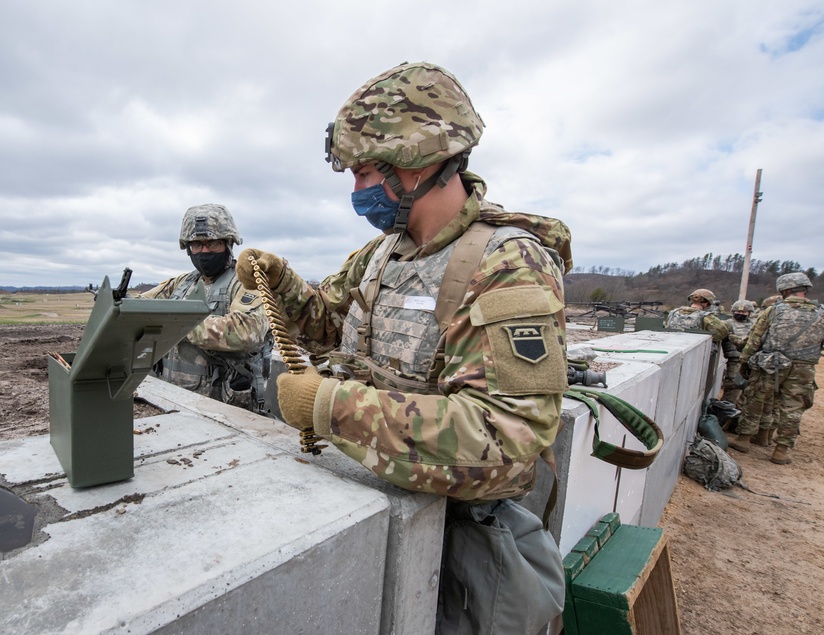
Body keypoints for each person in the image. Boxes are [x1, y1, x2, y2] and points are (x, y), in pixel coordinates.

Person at [236, 62, 570, 635]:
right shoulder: (381, 254)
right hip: (370, 505)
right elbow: (327, 322)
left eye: (366, 172)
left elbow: (507, 439)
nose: (357, 190)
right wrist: (281, 281)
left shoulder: (509, 264)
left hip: (460, 550)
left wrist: (330, 407)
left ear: (418, 161)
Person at [140, 204, 272, 413]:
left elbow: (247, 332)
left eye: (213, 244)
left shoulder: (246, 282)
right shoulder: (183, 283)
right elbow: (139, 307)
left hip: (226, 409)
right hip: (176, 401)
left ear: (228, 243)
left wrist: (177, 325)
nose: (204, 251)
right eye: (197, 245)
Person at [730, 273, 824, 463]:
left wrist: (744, 363)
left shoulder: (773, 311)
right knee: (793, 408)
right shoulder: (820, 313)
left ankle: (744, 440)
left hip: (770, 364)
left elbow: (755, 339)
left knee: (755, 400)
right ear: (804, 289)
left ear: (785, 290)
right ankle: (781, 450)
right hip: (802, 368)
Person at [720, 300, 757, 405]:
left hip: (751, 361)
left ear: (749, 313)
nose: (740, 314)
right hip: (735, 360)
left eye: (744, 312)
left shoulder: (754, 325)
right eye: (737, 311)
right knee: (733, 387)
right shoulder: (727, 324)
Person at [664, 289, 729, 342]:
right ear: (706, 303)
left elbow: (665, 327)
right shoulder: (706, 317)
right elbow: (723, 334)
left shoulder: (673, 313)